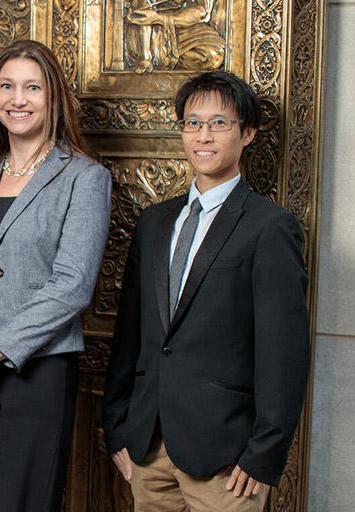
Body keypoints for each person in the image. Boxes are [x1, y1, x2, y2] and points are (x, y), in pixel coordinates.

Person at [103, 71, 311, 511]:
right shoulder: (154, 223)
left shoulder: (269, 228)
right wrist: (117, 426)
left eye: (219, 123)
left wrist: (263, 453)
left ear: (247, 133)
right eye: (192, 123)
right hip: (148, 449)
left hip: (226, 457)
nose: (204, 136)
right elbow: (130, 335)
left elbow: (284, 351)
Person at [0, 40, 111, 511]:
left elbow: (71, 287)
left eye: (32, 87)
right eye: (7, 87)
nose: (18, 99)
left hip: (34, 376)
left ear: (53, 98)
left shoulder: (83, 177)